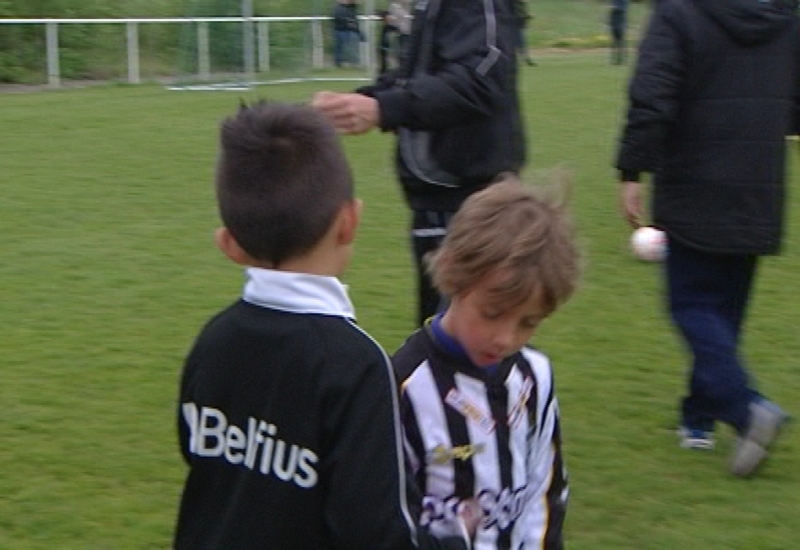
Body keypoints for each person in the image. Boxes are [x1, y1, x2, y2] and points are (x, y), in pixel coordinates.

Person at [173, 100, 479, 548]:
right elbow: (376, 533)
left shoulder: (213, 340)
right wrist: (456, 540)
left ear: (229, 245)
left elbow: (201, 459)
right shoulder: (356, 365)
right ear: (349, 221)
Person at [615, 0, 799, 477]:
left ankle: (745, 409)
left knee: (692, 305)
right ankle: (697, 419)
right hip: (759, 182)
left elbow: (653, 91)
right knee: (724, 315)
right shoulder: (783, 13)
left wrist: (633, 168)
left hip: (695, 178)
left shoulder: (678, 10)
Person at [312, 0, 526, 327]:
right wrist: (363, 100)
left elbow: (482, 77)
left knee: (470, 343)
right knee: (438, 342)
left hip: (468, 200)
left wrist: (384, 108)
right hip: (435, 200)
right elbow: (418, 76)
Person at [393, 177, 581, 549]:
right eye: (492, 313)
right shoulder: (403, 386)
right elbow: (387, 519)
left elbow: (544, 489)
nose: (506, 338)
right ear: (454, 276)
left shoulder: (535, 378)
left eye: (528, 322)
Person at [332, 0, 361, 67]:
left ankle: (354, 62)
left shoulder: (352, 7)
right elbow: (337, 17)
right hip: (339, 29)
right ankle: (338, 63)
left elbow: (356, 2)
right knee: (339, 48)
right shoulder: (337, 7)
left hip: (350, 30)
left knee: (352, 47)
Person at [514, 0, 536, 66]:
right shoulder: (516, 5)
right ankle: (525, 59)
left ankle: (525, 59)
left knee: (521, 44)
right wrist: (527, 16)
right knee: (520, 44)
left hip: (520, 26)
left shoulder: (521, 5)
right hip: (516, 26)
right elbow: (516, 15)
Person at [377, 9, 399, 75]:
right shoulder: (386, 26)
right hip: (383, 46)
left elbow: (396, 30)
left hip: (386, 46)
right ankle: (382, 72)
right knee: (384, 61)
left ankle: (384, 71)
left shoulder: (388, 26)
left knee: (386, 61)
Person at [607, 0, 628, 65]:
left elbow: (623, 9)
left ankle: (621, 59)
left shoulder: (623, 1)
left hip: (620, 23)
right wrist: (609, 23)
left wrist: (614, 7)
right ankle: (613, 60)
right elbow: (611, 13)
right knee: (614, 42)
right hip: (614, 23)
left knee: (620, 42)